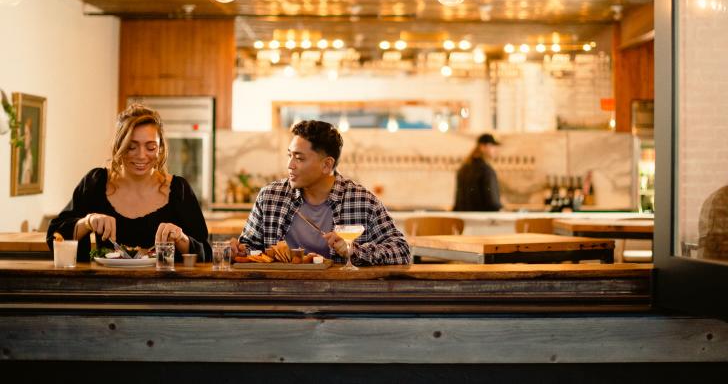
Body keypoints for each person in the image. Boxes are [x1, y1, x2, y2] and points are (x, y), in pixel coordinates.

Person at [47, 104, 211, 262]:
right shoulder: (96, 183)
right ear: (119, 145)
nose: (141, 155)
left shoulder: (178, 190)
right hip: (105, 287)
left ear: (160, 148)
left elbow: (206, 252)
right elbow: (55, 236)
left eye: (151, 147)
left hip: (166, 289)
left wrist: (180, 238)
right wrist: (88, 222)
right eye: (131, 147)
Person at [232, 120, 410, 266]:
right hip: (280, 296)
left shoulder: (362, 201)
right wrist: (239, 251)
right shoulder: (270, 197)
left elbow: (401, 251)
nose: (290, 165)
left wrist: (354, 251)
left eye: (299, 158)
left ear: (327, 165)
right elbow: (250, 248)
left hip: (340, 299)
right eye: (289, 156)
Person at [453, 133, 503, 212]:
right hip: (482, 221)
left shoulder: (463, 168)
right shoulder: (486, 170)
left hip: (463, 219)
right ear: (482, 147)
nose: (495, 150)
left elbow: (458, 201)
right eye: (492, 146)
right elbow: (493, 202)